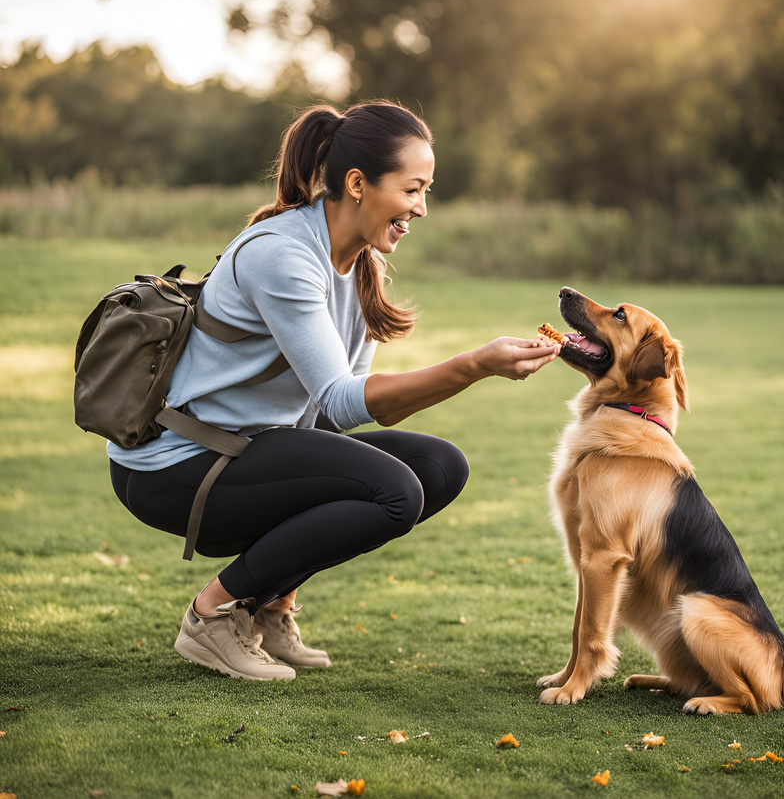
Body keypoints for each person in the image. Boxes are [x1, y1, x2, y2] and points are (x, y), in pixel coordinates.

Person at [108, 100, 561, 682]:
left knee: (439, 467)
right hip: (177, 467)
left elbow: (336, 414)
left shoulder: (360, 264)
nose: (421, 208)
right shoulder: (283, 255)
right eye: (412, 189)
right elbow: (344, 401)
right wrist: (474, 364)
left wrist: (472, 368)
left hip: (247, 452)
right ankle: (213, 615)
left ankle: (268, 606)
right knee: (396, 491)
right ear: (357, 184)